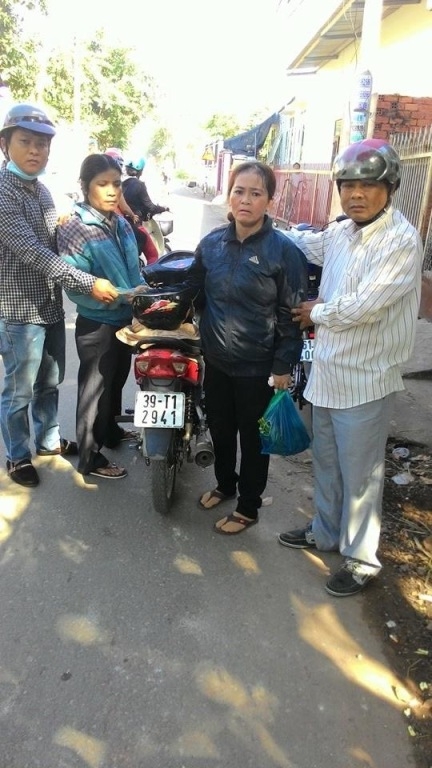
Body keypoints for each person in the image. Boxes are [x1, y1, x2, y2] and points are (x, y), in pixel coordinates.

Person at [278, 138, 423, 596]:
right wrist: (260, 223)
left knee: (361, 475)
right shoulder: (342, 232)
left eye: (368, 185)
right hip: (328, 372)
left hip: (366, 379)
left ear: (390, 188)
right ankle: (324, 532)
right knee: (327, 462)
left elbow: (366, 306)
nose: (356, 194)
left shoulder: (401, 241)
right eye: (348, 185)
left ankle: (361, 559)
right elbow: (308, 243)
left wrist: (315, 312)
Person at [0, 103, 119, 488]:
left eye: (42, 144)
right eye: (26, 142)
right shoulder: (3, 194)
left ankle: (48, 440)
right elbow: (34, 252)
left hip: (50, 307)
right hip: (18, 312)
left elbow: (55, 240)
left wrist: (70, 223)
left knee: (50, 382)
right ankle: (18, 455)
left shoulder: (43, 192)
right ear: (5, 145)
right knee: (19, 390)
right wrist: (89, 283)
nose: (36, 151)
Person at [187, 160, 308, 535]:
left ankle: (248, 506)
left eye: (256, 193)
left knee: (254, 440)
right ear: (229, 196)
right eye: (239, 191)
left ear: (269, 201)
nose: (246, 200)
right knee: (221, 429)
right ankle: (225, 484)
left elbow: (291, 315)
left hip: (258, 368)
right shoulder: (211, 244)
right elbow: (196, 293)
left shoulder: (283, 252)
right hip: (216, 361)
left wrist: (283, 366)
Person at [57, 153, 147, 480]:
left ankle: (110, 432)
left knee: (116, 382)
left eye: (116, 184)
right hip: (97, 323)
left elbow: (133, 268)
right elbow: (73, 282)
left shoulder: (119, 223)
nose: (111, 191)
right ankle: (89, 458)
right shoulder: (75, 227)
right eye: (102, 184)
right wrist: (117, 294)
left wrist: (141, 295)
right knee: (94, 392)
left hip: (124, 319)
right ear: (85, 186)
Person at [104, 148, 159, 265]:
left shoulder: (119, 183)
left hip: (111, 224)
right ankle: (151, 271)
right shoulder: (117, 184)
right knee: (149, 248)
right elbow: (125, 208)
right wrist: (133, 215)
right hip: (120, 223)